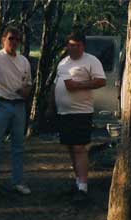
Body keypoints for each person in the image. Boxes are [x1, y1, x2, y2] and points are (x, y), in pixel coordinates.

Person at [48, 31, 106, 201]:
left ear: (83, 46)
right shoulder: (63, 62)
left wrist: (78, 85)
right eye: (71, 45)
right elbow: (55, 86)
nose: (74, 48)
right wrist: (51, 106)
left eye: (78, 45)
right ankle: (77, 182)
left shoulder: (91, 60)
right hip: (63, 112)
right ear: (67, 46)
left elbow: (101, 81)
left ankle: (83, 188)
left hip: (81, 111)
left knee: (79, 148)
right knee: (70, 147)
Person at [0, 26, 33, 201]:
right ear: (3, 39)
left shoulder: (24, 61)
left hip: (18, 107)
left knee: (18, 146)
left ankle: (17, 182)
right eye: (11, 38)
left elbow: (28, 83)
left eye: (17, 39)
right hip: (0, 105)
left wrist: (26, 91)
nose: (14, 42)